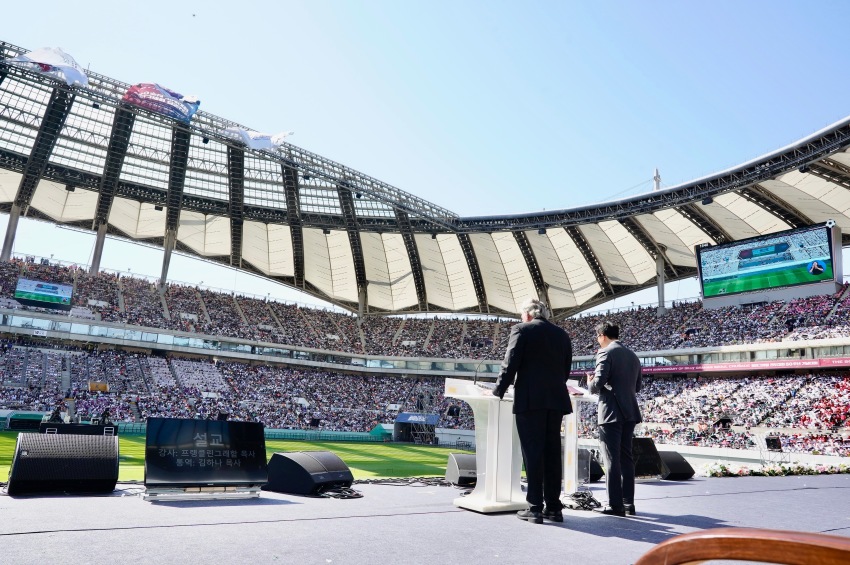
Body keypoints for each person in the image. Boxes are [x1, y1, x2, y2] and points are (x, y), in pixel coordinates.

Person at [493, 298, 573, 524]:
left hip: (530, 400)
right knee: (551, 454)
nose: (520, 318)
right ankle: (554, 508)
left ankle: (535, 507)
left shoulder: (522, 330)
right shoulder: (562, 335)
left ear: (528, 314)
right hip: (556, 400)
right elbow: (565, 369)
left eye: (521, 315)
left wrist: (498, 390)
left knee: (532, 453)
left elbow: (510, 364)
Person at [587, 321, 642, 517]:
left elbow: (599, 382)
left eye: (597, 337)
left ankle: (615, 505)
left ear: (602, 335)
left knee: (611, 460)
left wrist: (590, 383)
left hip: (611, 413)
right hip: (630, 412)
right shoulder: (633, 356)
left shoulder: (605, 352)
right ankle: (628, 503)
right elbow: (637, 387)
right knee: (626, 458)